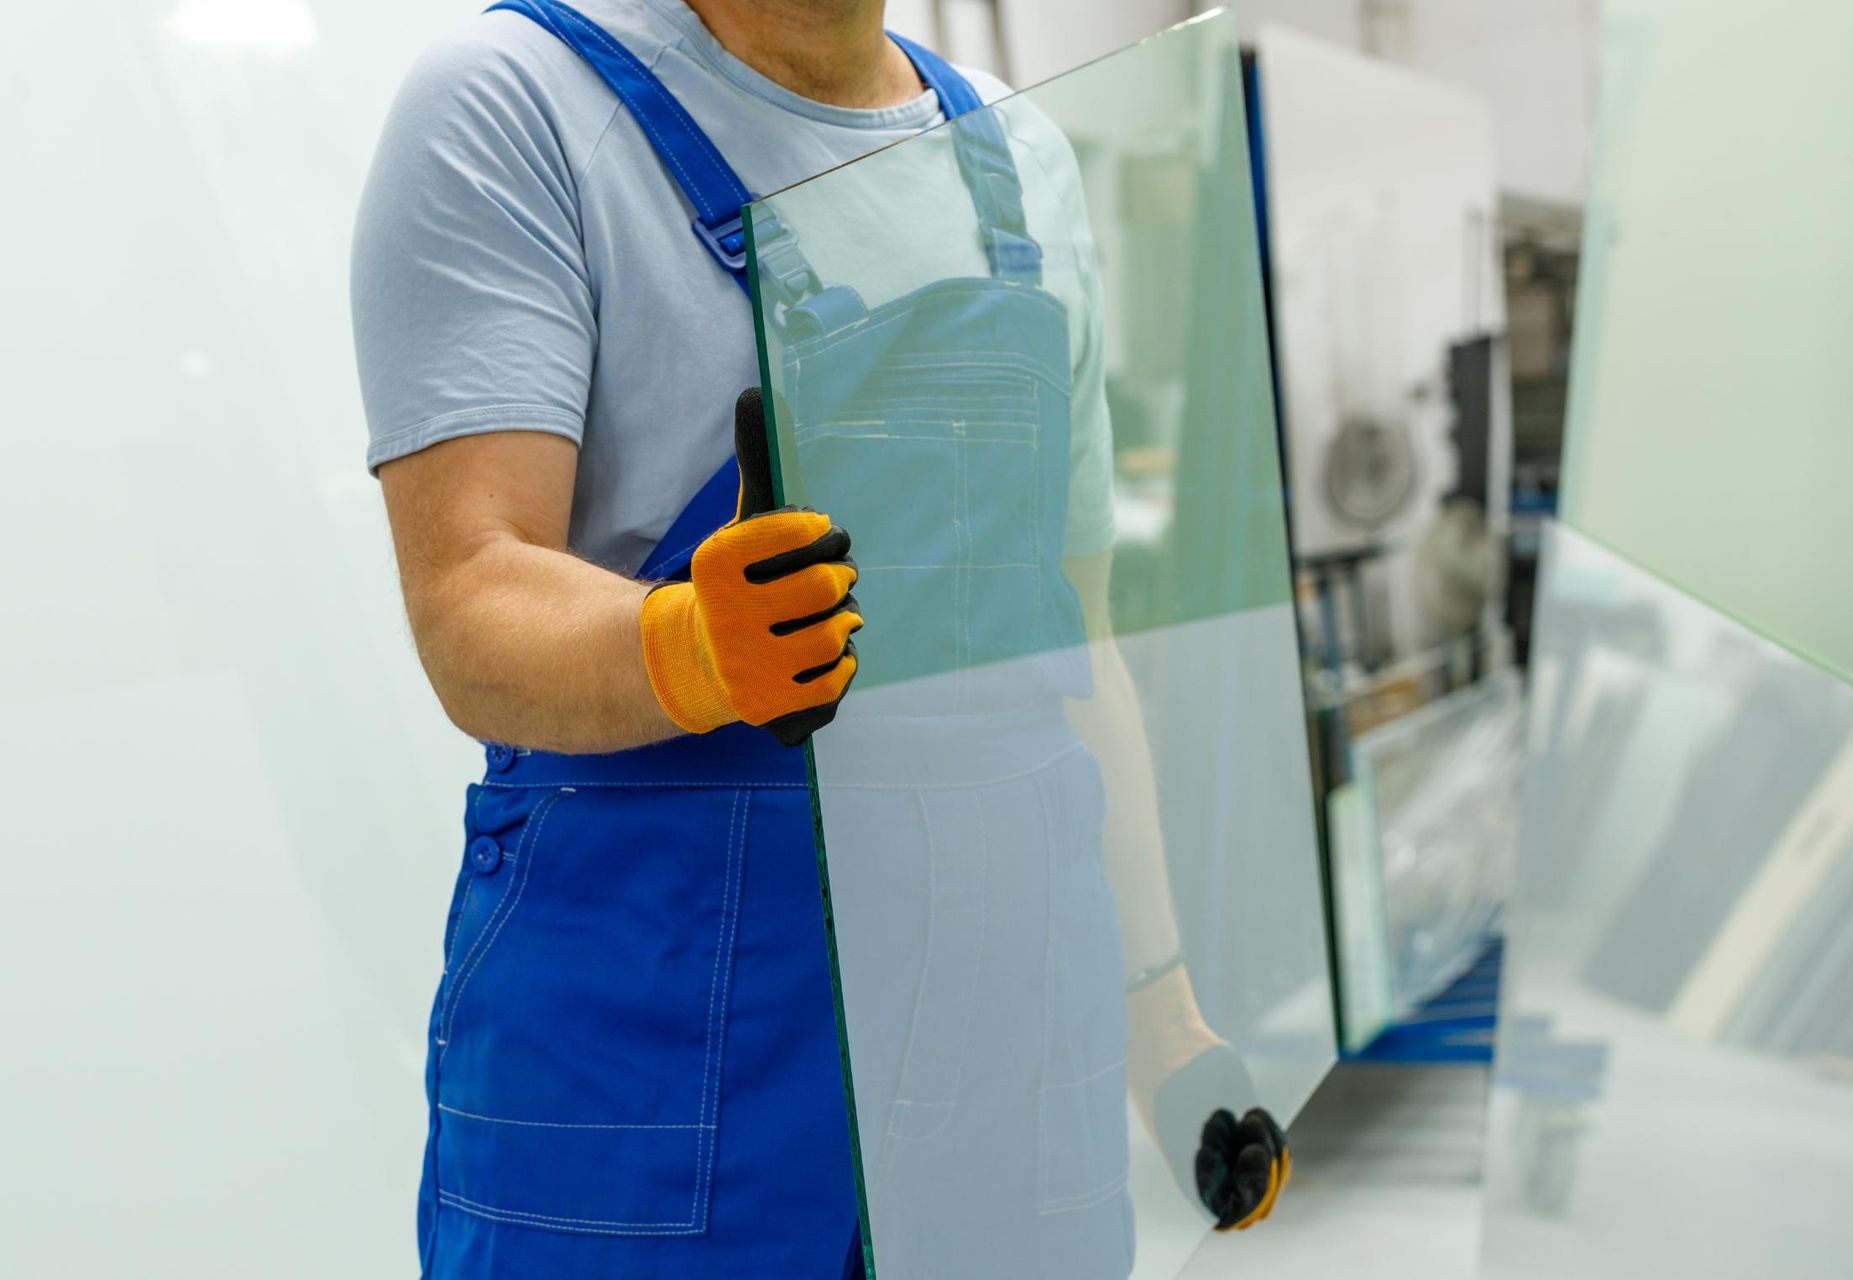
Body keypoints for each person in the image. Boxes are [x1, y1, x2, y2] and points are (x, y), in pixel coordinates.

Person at [353, 2, 1284, 1276]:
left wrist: (1164, 1019)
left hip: (1009, 1072)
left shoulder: (1020, 165)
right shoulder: (516, 104)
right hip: (661, 1061)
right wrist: (689, 648)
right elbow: (469, 597)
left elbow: (1077, 653)